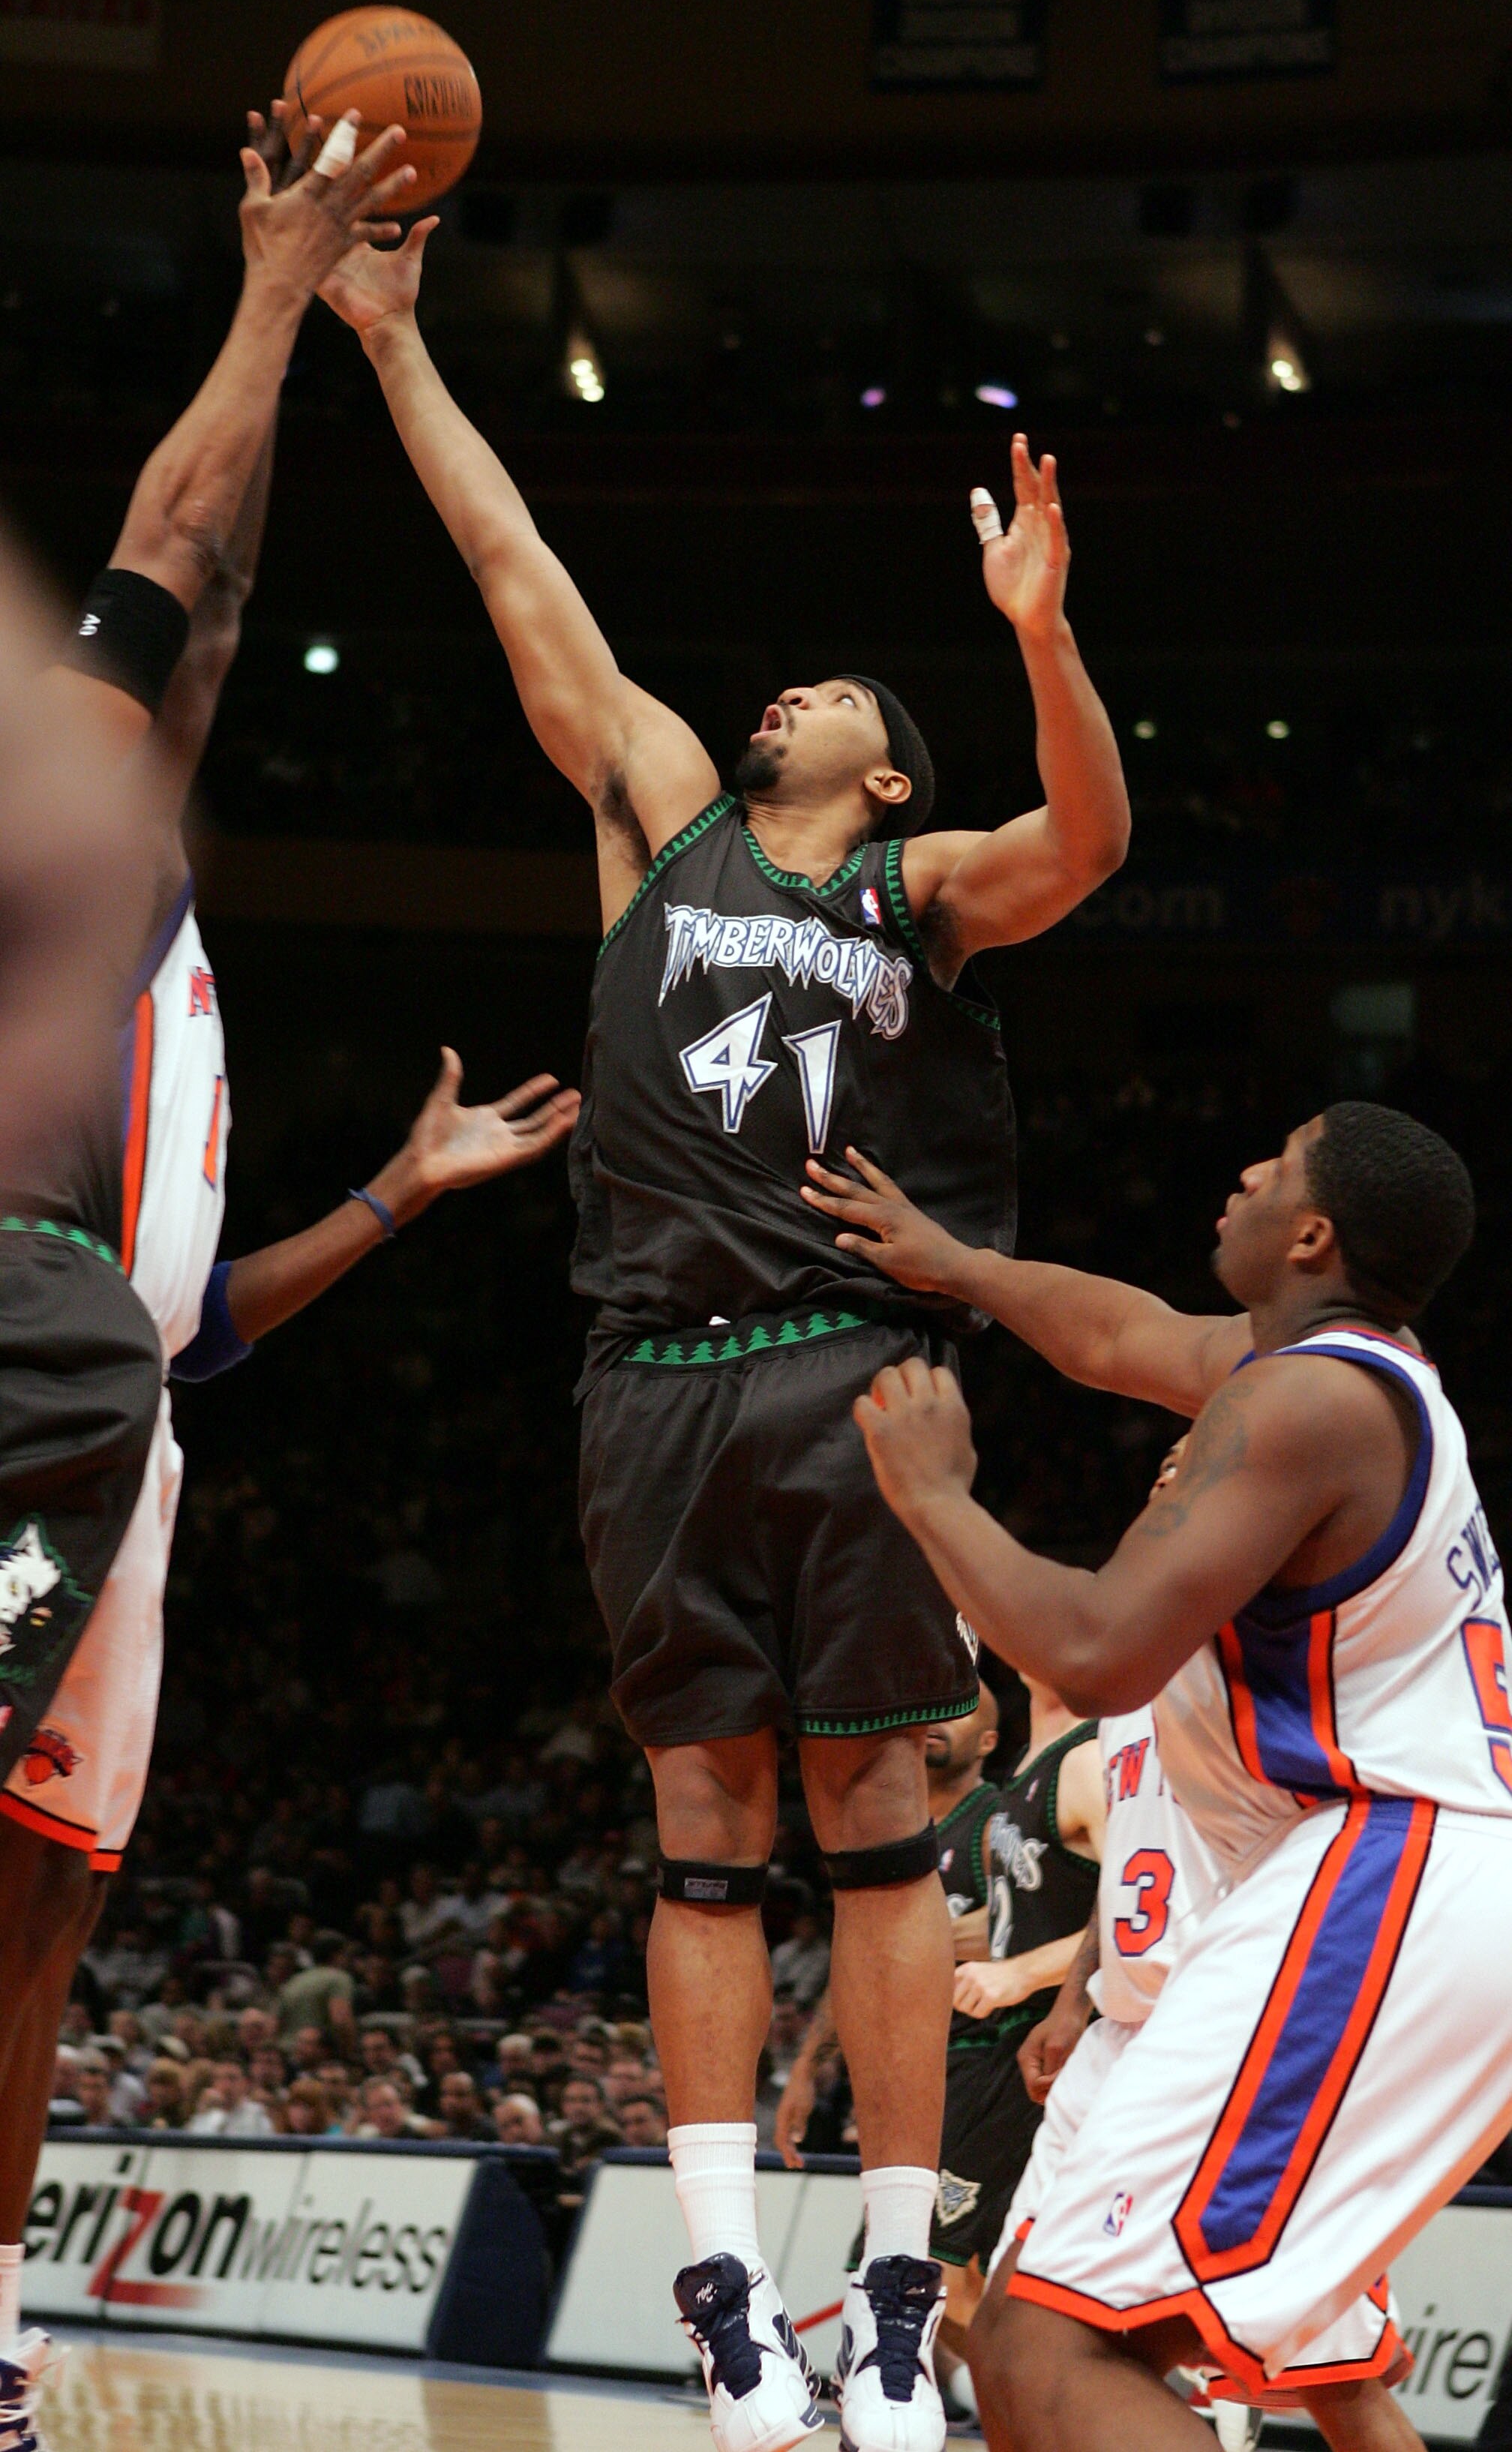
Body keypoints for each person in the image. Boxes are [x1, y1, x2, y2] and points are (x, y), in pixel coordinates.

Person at [320, 209, 1130, 2452]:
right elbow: (516, 573)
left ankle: (893, 2296)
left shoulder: (916, 887)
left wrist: (1042, 633)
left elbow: (1085, 840)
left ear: (890, 776)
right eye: (793, 690)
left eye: (838, 697)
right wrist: (387, 340)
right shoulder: (664, 820)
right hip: (655, 1370)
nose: (793, 697)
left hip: (856, 1368)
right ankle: (720, 2287)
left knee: (874, 1819)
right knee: (699, 1816)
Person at [0, 107, 581, 2447]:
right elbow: (173, 546)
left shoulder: (152, 949)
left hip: (101, 1398)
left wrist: (399, 1197)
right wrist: (276, 291)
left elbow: (189, 1328)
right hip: (24, 1344)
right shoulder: (59, 846)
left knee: (45, 1906)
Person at [813, 1102, 1512, 2450]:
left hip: (1393, 1873)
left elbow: (1096, 1653)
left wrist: (935, 1498)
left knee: (1052, 2348)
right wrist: (957, 1264)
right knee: (1034, 2348)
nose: (1244, 1171)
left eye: (1277, 1162)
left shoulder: (1308, 1398)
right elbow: (1116, 1333)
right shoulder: (1327, 1374)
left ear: (1311, 1234)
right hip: (1382, 1881)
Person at [975, 1443, 1424, 2452]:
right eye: (1167, 1459)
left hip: (1239, 2039)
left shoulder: (1286, 1644)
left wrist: (927, 1498)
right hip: (1121, 2039)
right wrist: (1074, 2000)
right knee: (1011, 2340)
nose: (1170, 1469)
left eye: (1200, 1457)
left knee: (1337, 2384)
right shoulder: (1132, 1667)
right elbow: (1129, 1862)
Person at [778, 1682, 1103, 2417]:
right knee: (937, 2269)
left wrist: (1019, 1969)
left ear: (989, 1740)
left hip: (1003, 2050)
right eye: (928, 1708)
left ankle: (1063, 2401)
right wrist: (810, 2065)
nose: (934, 1722)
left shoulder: (1001, 1811)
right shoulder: (932, 1820)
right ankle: (1031, 2402)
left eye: (956, 1712)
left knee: (929, 2266)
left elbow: (1071, 1915)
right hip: (946, 2064)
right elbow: (886, 1952)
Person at [188, 2057, 273, 2138]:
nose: (225, 2085)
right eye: (219, 2078)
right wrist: (202, 2111)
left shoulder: (257, 2114)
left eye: (232, 2078)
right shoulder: (207, 2113)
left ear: (245, 2083)